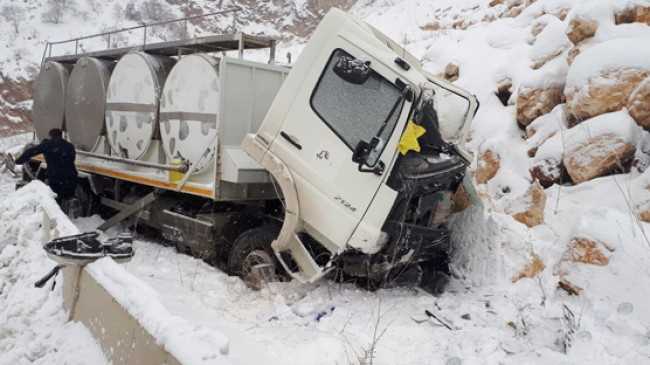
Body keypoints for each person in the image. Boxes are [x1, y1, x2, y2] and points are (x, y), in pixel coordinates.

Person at [15, 128, 78, 204]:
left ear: (51, 136)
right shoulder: (69, 145)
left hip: (56, 177)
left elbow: (31, 151)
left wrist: (19, 160)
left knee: (55, 199)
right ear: (61, 135)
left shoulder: (47, 145)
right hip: (70, 176)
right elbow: (72, 158)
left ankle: (57, 212)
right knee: (68, 196)